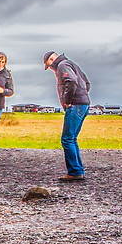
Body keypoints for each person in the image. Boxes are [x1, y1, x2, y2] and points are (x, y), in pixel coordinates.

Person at [43, 51, 92, 181]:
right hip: (83, 104)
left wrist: (68, 100)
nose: (51, 69)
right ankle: (77, 170)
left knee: (67, 139)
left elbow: (71, 81)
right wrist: (82, 96)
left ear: (52, 59)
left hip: (75, 105)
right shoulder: (72, 64)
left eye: (49, 65)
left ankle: (75, 172)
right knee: (72, 138)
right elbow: (87, 83)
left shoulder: (62, 65)